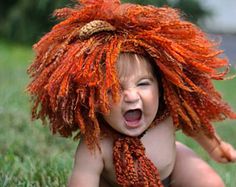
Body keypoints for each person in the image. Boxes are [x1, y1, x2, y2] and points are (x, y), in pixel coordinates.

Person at [27, 0, 236, 186]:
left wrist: (216, 148)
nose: (131, 96)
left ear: (161, 85)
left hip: (172, 172)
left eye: (143, 84)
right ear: (94, 99)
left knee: (208, 181)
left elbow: (196, 125)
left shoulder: (166, 114)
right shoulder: (96, 145)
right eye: (113, 89)